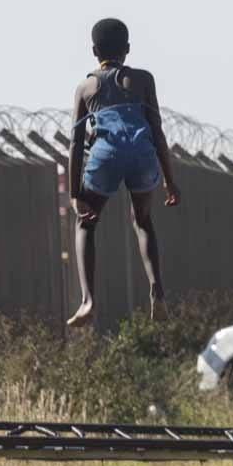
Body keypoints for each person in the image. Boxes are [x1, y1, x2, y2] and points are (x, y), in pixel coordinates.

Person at [66, 17, 182, 327]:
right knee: (143, 221)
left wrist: (75, 194)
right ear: (127, 49)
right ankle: (157, 290)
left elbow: (76, 144)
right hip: (142, 156)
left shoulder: (85, 87)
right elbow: (157, 132)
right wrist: (171, 182)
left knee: (86, 223)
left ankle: (88, 300)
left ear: (94, 50)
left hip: (105, 156)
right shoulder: (143, 80)